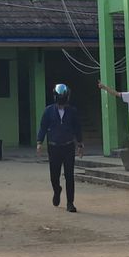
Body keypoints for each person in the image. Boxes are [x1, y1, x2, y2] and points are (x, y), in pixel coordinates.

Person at [37, 83, 84, 212]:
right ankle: (57, 190)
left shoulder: (72, 111)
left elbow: (77, 128)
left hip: (68, 147)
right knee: (54, 176)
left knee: (69, 175)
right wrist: (39, 142)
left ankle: (70, 203)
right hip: (54, 148)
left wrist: (80, 144)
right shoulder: (48, 111)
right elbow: (43, 127)